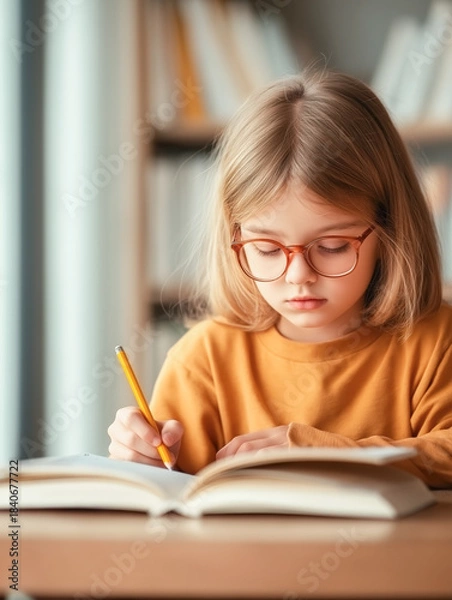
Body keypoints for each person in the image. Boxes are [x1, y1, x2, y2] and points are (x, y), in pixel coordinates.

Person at [108, 69, 452, 487]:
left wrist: (321, 454)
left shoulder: (434, 341)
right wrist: (138, 461)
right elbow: (173, 494)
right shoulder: (204, 360)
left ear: (390, 229)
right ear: (234, 239)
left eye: (332, 246)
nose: (298, 275)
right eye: (268, 250)